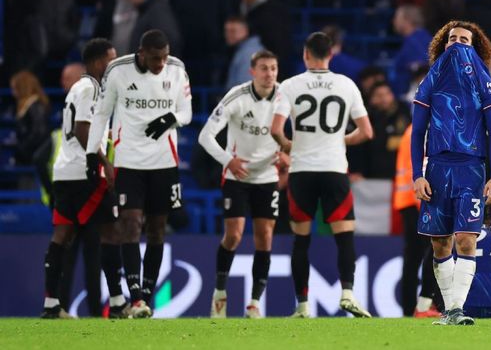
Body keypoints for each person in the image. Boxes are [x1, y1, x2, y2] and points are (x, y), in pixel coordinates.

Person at [394, 91, 491, 317]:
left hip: (412, 196)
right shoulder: (447, 125)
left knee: (422, 254)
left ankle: (420, 307)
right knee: (440, 246)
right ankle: (427, 305)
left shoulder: (415, 128)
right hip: (433, 191)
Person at [86, 29, 192, 318]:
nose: (161, 64)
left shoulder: (177, 69)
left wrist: (171, 118)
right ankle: (135, 300)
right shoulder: (117, 71)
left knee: (157, 229)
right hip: (128, 162)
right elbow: (101, 114)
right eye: (155, 58)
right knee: (130, 225)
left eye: (164, 57)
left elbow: (187, 112)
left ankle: (147, 295)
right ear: (141, 52)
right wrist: (91, 154)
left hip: (164, 163)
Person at [271, 32, 373, 318]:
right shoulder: (346, 84)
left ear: (306, 55)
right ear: (331, 54)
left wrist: (293, 146)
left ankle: (302, 306)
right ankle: (348, 294)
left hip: (301, 171)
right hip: (334, 170)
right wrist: (340, 139)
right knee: (344, 237)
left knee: (301, 240)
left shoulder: (290, 85)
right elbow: (366, 132)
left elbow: (276, 130)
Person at [411, 20, 491, 326]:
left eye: (465, 40)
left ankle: (456, 309)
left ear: (476, 49)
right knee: (439, 243)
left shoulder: (485, 85)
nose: (458, 44)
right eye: (453, 39)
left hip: (471, 170)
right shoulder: (431, 83)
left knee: (465, 239)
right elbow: (417, 133)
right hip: (436, 169)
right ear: (443, 44)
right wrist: (417, 174)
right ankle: (451, 310)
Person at [41, 38, 127, 319]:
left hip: (66, 173)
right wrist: (105, 164)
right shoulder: (90, 88)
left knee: (62, 235)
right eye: (111, 60)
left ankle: (52, 304)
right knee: (111, 232)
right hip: (85, 172)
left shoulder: (80, 89)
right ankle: (116, 303)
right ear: (97, 60)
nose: (114, 65)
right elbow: (82, 129)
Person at [199, 50, 287, 318]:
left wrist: (289, 152)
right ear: (252, 71)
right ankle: (220, 294)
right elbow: (205, 136)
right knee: (234, 235)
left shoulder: (286, 96)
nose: (269, 73)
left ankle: (254, 303)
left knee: (265, 237)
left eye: (273, 68)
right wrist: (228, 161)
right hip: (237, 176)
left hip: (267, 176)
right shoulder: (236, 96)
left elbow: (303, 131)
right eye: (264, 68)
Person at [223, 16, 264, 90]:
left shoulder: (249, 53)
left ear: (245, 31)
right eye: (226, 31)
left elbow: (246, 88)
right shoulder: (243, 50)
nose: (228, 35)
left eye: (232, 31)